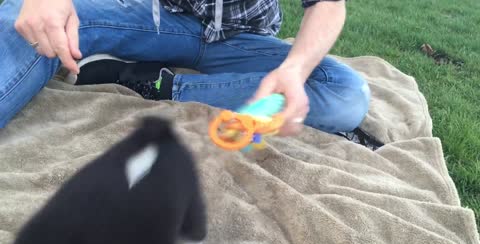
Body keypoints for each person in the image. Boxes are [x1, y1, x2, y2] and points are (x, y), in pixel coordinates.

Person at [0, 0, 370, 137]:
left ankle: (151, 82)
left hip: (242, 39)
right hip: (158, 16)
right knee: (22, 16)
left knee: (344, 94)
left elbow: (328, 4)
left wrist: (295, 68)